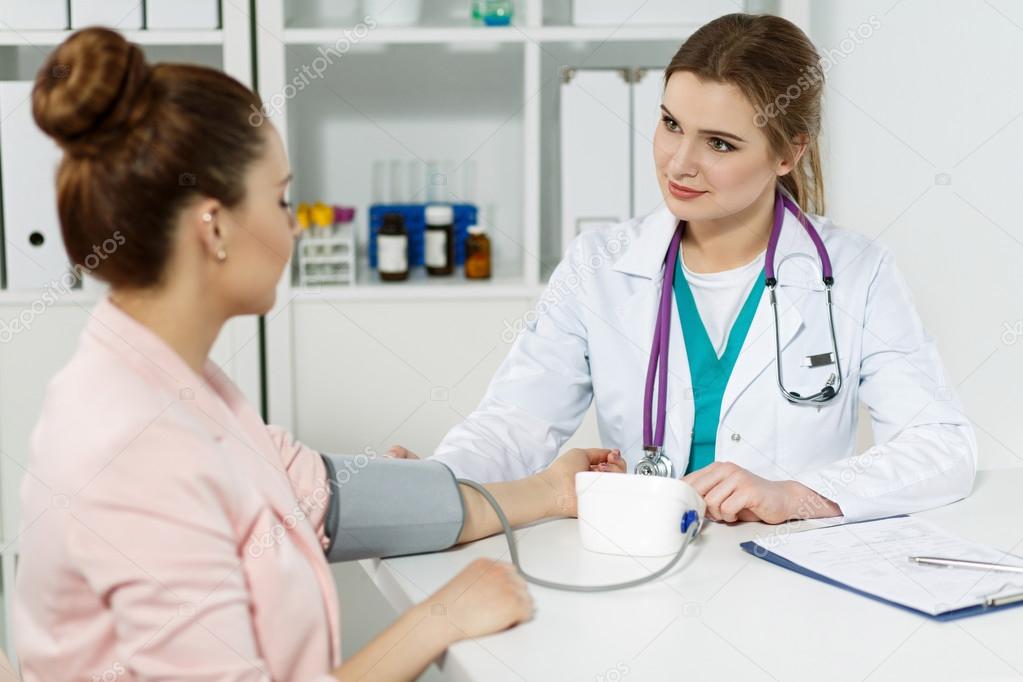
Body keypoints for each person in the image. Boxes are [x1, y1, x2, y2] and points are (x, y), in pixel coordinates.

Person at [13, 28, 618, 682]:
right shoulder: (137, 444)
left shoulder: (165, 379)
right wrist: (436, 620)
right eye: (280, 200)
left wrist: (551, 491)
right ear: (214, 226)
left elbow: (323, 499)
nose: (295, 226)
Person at [392, 13, 977, 525]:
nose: (679, 162)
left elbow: (942, 447)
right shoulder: (598, 266)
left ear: (787, 152)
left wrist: (798, 495)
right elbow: (514, 423)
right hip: (638, 563)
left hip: (790, 577)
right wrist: (436, 487)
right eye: (671, 124)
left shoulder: (857, 273)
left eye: (719, 144)